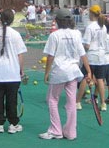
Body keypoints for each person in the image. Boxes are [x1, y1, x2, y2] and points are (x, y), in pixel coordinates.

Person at [39, 8, 92, 140]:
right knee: (71, 102)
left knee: (52, 99)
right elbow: (82, 54)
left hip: (60, 72)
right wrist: (89, 71)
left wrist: (47, 72)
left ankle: (56, 130)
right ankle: (70, 132)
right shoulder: (76, 34)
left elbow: (50, 56)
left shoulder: (54, 35)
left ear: (57, 21)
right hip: (73, 71)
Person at [0, 9, 27, 134]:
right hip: (12, 72)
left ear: (0, 19)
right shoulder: (15, 34)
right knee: (12, 100)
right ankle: (12, 124)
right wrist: (21, 70)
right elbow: (20, 55)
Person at [76, 4, 108, 111]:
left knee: (86, 78)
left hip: (91, 56)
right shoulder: (103, 26)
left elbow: (87, 45)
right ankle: (103, 103)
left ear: (91, 14)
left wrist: (82, 51)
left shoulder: (90, 27)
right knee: (100, 80)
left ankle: (77, 102)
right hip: (101, 56)